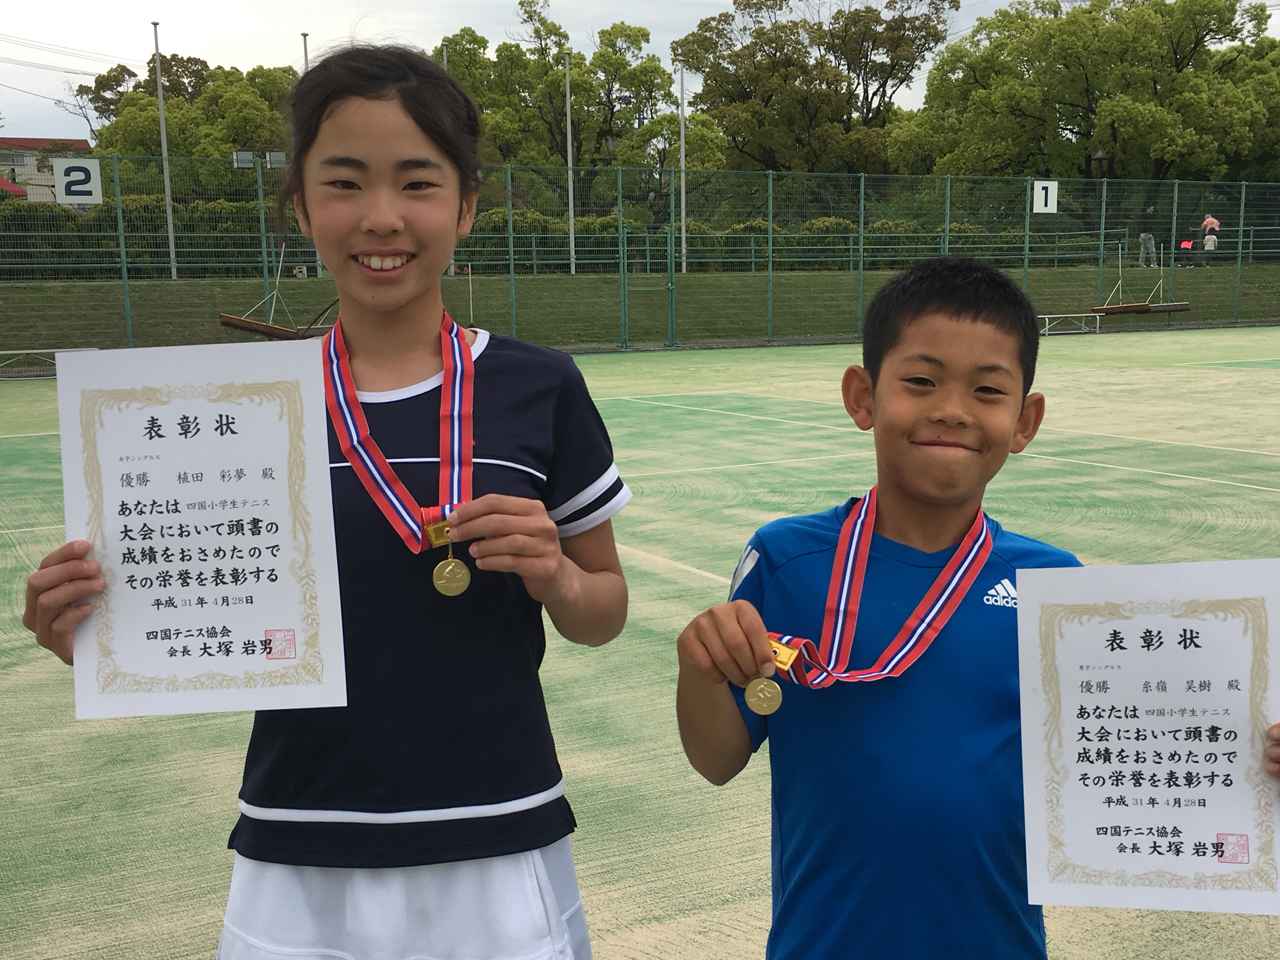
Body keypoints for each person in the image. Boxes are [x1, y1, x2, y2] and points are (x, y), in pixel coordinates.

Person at [24, 45, 631, 960]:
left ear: (465, 204)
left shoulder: (536, 386)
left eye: (417, 183)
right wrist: (89, 628)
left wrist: (553, 573)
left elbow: (604, 611)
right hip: (299, 838)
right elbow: (182, 616)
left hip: (497, 828)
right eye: (344, 183)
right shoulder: (234, 409)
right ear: (302, 206)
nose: (381, 218)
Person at [674, 257, 1280, 960]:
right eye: (921, 382)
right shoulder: (787, 563)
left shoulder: (1057, 589)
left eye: (987, 390)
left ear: (1024, 421)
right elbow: (716, 758)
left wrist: (1253, 753)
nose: (953, 410)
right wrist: (700, 667)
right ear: (862, 396)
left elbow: (1140, 762)